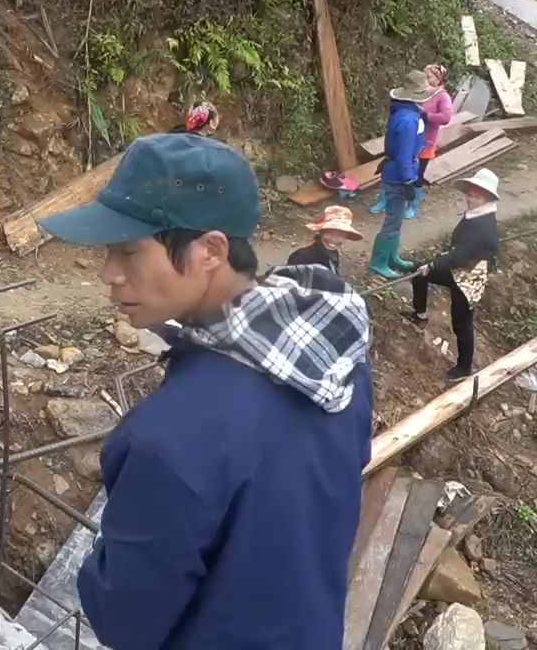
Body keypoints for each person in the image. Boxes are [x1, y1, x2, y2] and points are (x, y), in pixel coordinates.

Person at [38, 133, 373, 650]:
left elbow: (124, 619)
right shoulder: (336, 356)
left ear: (211, 250)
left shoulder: (169, 436)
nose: (109, 274)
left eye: (129, 250)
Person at [406, 168, 500, 381]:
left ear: (487, 198)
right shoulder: (476, 215)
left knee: (462, 322)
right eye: (470, 194)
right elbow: (458, 251)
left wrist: (433, 264)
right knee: (419, 273)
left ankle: (464, 368)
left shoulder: (483, 224)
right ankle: (419, 315)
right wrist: (431, 264)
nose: (471, 199)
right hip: (460, 267)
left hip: (469, 277)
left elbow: (460, 255)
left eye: (477, 196)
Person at [369, 70, 434, 280]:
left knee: (396, 219)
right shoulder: (408, 120)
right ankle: (379, 262)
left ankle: (391, 256)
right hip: (398, 175)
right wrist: (409, 180)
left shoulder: (407, 113)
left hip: (398, 171)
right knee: (393, 219)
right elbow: (405, 155)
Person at [370, 63, 452, 219]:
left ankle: (412, 205)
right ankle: (385, 200)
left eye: (430, 77)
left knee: (417, 174)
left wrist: (425, 116)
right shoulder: (417, 95)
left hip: (425, 141)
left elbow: (446, 117)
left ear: (439, 78)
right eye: (425, 76)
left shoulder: (442, 96)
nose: (427, 80)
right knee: (395, 167)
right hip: (409, 136)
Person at [287, 205, 363, 275]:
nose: (334, 239)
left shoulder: (332, 252)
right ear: (321, 232)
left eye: (340, 235)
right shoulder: (301, 257)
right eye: (330, 233)